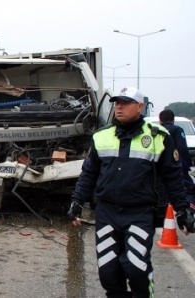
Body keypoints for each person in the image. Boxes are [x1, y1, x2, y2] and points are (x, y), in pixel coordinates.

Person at [67, 87, 195, 297]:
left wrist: (182, 211)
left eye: (125, 103)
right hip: (107, 212)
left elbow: (173, 178)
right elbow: (88, 173)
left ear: (140, 106)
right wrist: (77, 202)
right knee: (108, 272)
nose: (119, 106)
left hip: (140, 213)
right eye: (117, 102)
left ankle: (146, 292)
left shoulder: (158, 137)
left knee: (135, 268)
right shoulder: (101, 137)